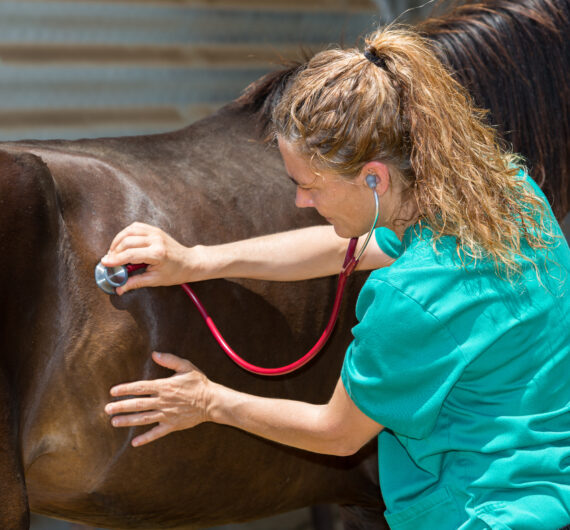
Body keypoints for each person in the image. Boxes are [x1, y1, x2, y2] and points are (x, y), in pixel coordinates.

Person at [102, 26, 570, 529]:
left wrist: (208, 401)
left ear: (375, 178)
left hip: (480, 514)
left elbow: (337, 432)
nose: (302, 203)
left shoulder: (410, 298)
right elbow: (350, 248)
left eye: (309, 186)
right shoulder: (507, 194)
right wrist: (198, 260)